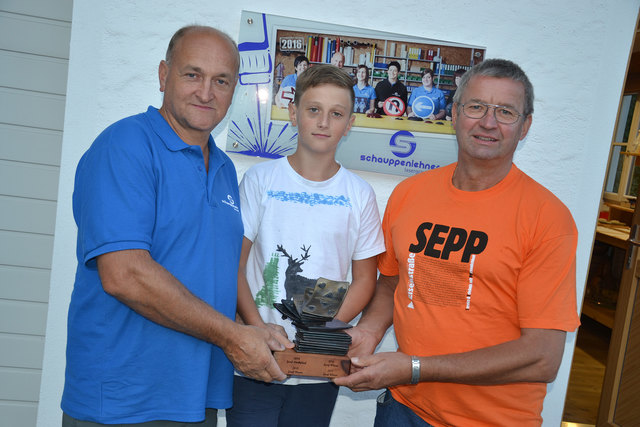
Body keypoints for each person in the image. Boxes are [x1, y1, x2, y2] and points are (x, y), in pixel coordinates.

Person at [61, 25, 291, 426]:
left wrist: (254, 329)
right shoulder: (125, 146)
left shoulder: (222, 169)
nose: (206, 92)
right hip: (122, 402)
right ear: (164, 75)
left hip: (196, 397)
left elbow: (207, 273)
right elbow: (125, 275)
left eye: (221, 81)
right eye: (192, 74)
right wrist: (234, 337)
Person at [334, 58, 580, 427]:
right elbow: (392, 282)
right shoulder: (409, 194)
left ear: (525, 126)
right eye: (477, 106)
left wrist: (414, 368)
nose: (488, 122)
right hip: (403, 410)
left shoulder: (547, 218)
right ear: (454, 112)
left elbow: (543, 357)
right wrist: (369, 331)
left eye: (506, 111)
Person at [226, 64, 385, 427]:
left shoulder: (359, 195)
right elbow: (235, 265)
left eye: (336, 113)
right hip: (257, 359)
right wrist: (256, 327)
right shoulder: (260, 180)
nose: (324, 122)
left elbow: (365, 280)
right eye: (313, 110)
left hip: (319, 366)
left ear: (350, 123)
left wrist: (325, 331)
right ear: (293, 113)